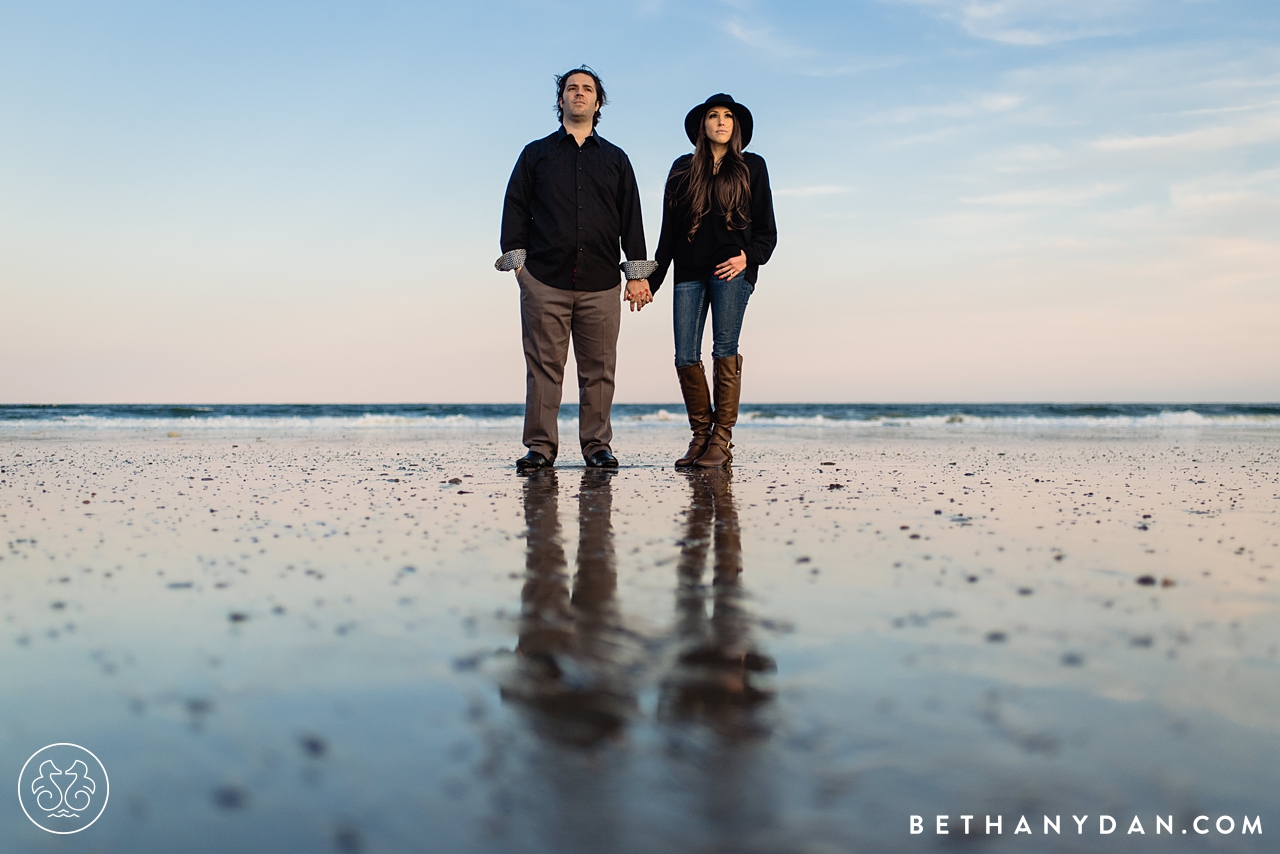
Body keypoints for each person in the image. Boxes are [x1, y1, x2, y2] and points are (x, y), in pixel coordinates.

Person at [496, 66, 657, 473]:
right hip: (544, 280)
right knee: (544, 369)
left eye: (587, 89)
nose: (579, 94)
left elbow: (631, 218)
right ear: (561, 100)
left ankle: (597, 447)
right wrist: (520, 269)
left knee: (599, 372)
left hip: (601, 283)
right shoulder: (536, 154)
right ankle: (540, 448)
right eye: (572, 89)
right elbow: (514, 207)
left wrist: (636, 273)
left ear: (598, 102)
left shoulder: (617, 159)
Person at [650, 94, 776, 468]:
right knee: (685, 355)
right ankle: (700, 435)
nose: (721, 121)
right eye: (713, 115)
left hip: (731, 272)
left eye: (727, 116)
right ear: (702, 125)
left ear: (736, 126)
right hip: (688, 272)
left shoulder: (753, 166)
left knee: (725, 350)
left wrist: (747, 258)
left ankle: (721, 440)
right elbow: (668, 234)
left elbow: (767, 230)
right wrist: (650, 282)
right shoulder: (681, 169)